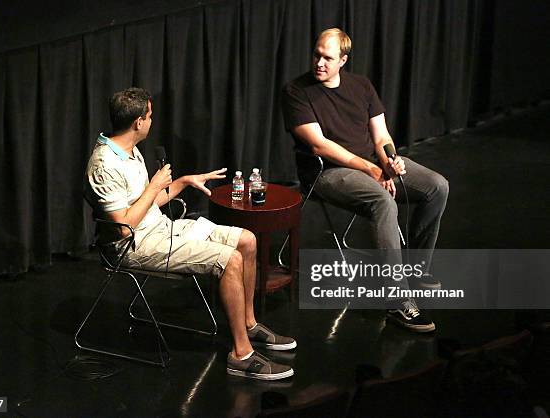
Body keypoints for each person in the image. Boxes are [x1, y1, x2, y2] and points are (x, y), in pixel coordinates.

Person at [84, 87, 296, 380]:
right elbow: (123, 226)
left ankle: (249, 322)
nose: (151, 120)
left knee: (247, 240)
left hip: (161, 229)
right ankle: (241, 354)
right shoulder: (104, 164)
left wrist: (183, 181)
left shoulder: (130, 151)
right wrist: (155, 186)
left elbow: (147, 204)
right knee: (229, 260)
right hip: (134, 245)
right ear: (138, 122)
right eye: (149, 116)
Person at [282, 28, 449, 332]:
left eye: (327, 58)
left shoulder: (361, 86)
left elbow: (381, 136)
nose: (319, 62)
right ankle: (396, 302)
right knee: (383, 201)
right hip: (326, 172)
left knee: (436, 186)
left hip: (371, 165)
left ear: (343, 60)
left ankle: (416, 268)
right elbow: (319, 146)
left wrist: (388, 162)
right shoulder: (296, 91)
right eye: (316, 55)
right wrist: (371, 171)